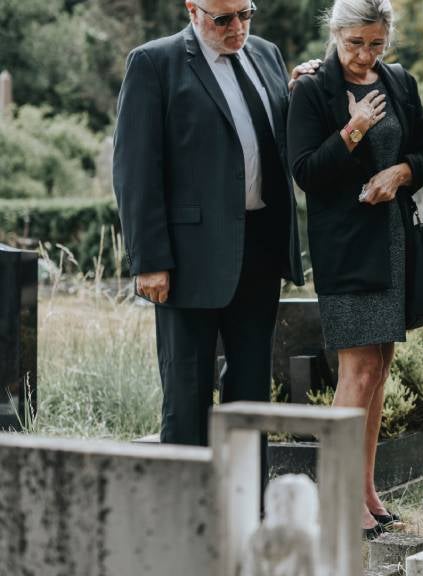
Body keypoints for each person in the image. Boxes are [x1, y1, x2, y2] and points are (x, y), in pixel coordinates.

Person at [113, 0, 310, 453]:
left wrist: (299, 90)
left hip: (260, 247)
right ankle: (187, 512)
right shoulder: (153, 62)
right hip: (187, 256)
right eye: (223, 19)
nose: (237, 27)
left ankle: (246, 505)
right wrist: (149, 260)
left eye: (245, 13)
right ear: (193, 11)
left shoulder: (266, 54)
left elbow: (274, 135)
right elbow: (135, 169)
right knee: (188, 389)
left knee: (251, 388)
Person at [287, 0, 423, 539]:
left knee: (379, 368)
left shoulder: (398, 80)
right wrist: (351, 132)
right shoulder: (310, 89)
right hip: (346, 249)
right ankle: (336, 495)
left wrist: (400, 172)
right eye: (355, 44)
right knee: (357, 371)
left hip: (393, 243)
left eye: (376, 43)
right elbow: (306, 172)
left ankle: (366, 489)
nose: (364, 55)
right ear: (335, 33)